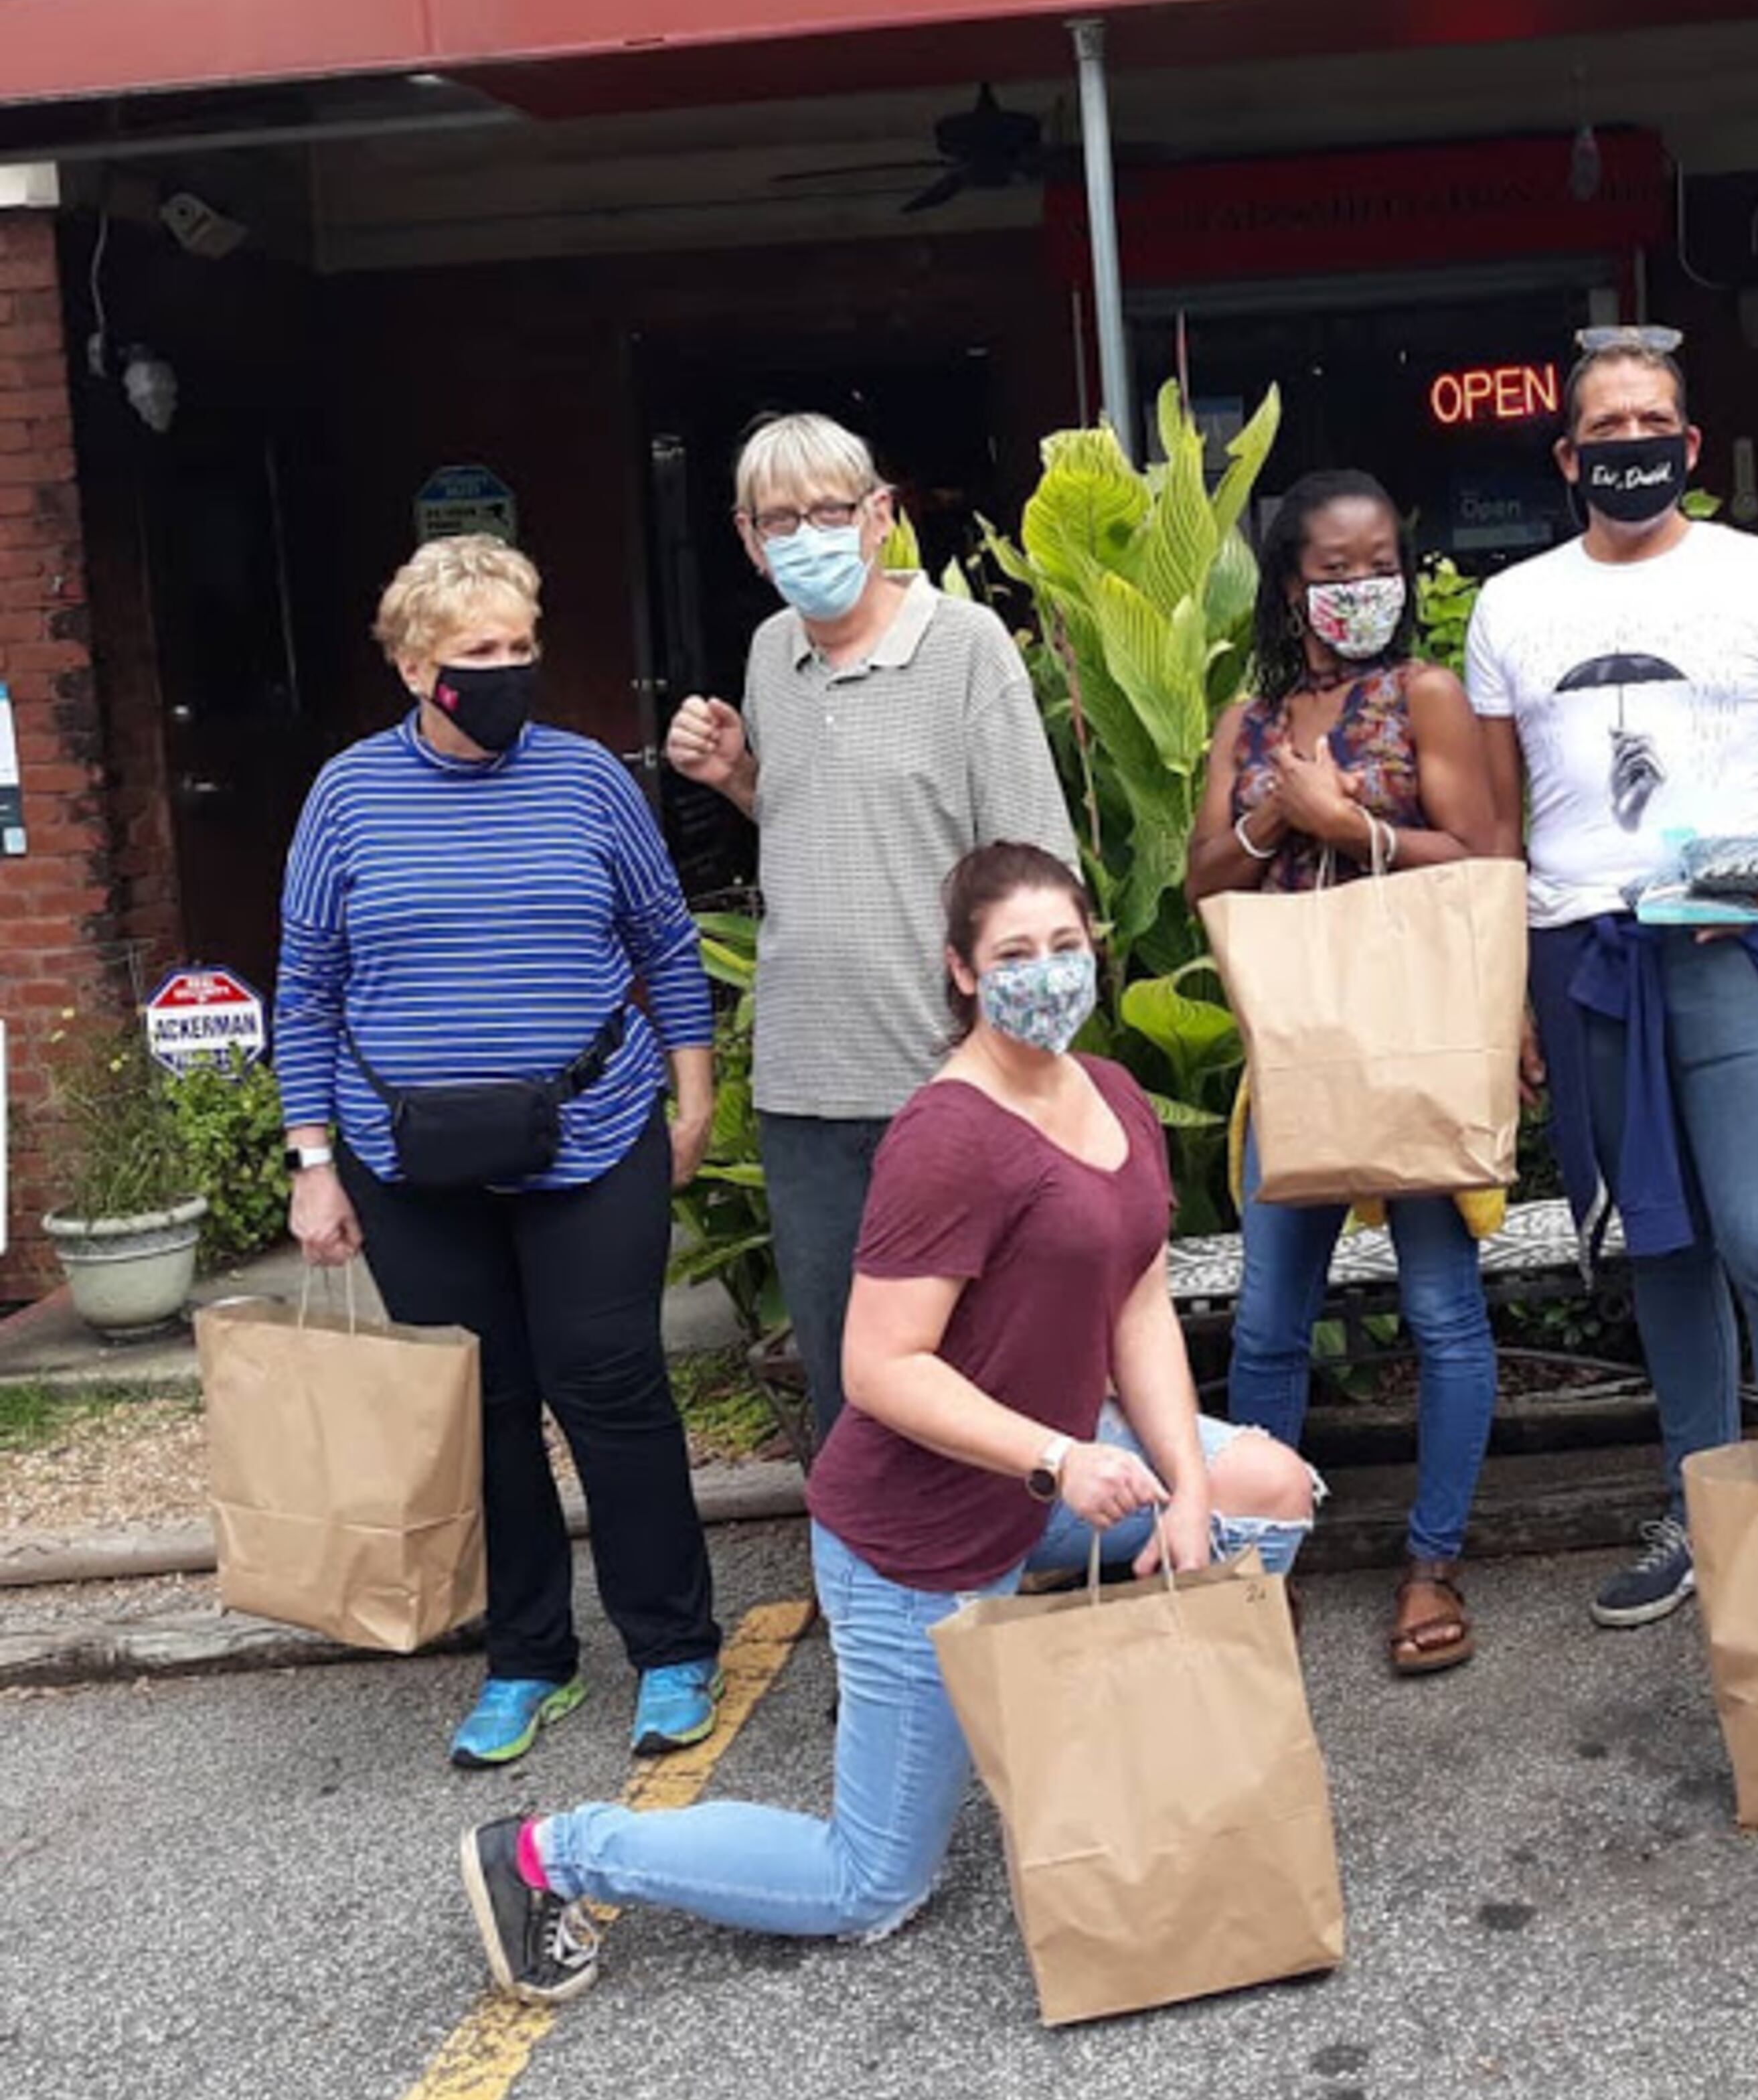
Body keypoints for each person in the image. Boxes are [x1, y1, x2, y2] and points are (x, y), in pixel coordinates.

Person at [459, 842, 1322, 2002]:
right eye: (1015, 955)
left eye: (1066, 947)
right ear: (963, 972)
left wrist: (1191, 1486)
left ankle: (1125, 1756)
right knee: (869, 1885)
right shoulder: (948, 1136)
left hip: (1048, 1489)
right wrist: (1058, 1455)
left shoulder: (1113, 1097)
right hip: (918, 1538)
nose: (1048, 974)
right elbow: (877, 1368)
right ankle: (551, 1854)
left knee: (1268, 1491)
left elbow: (1138, 1302)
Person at [277, 536, 723, 1768]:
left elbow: (666, 941)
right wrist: (311, 1160)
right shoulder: (347, 797)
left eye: (523, 645)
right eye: (481, 651)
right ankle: (528, 1658)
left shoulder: (589, 780)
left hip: (594, 1134)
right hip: (408, 1159)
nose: (509, 669)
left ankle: (673, 1645)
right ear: (416, 665)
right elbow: (306, 986)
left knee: (612, 1385)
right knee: (482, 1408)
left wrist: (693, 1098)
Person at [1465, 325, 1758, 1629]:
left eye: (1653, 426)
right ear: (1567, 455)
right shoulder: (1511, 606)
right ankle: (1703, 1512)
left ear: (1689, 445)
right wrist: (1505, 996)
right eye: (1607, 430)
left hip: (1725, 941)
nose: (1630, 446)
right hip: (1581, 953)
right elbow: (1496, 824)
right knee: (1667, 1248)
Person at [663, 414, 1075, 1450]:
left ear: (880, 517)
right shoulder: (770, 654)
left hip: (949, 1080)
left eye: (830, 511)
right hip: (806, 1085)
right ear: (749, 539)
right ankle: (862, 1555)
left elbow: (1036, 870)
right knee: (848, 1382)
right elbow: (818, 820)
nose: (807, 536)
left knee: (979, 1370)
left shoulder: (966, 647)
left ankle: (1000, 1551)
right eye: (779, 520)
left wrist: (1020, 1060)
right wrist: (739, 779)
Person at [1186, 470, 1504, 1676]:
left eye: (1383, 567)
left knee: (1442, 1315)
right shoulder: (1245, 724)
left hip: (1416, 1039)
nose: (1364, 588)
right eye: (1336, 572)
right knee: (1271, 1323)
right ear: (1289, 586)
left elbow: (1481, 860)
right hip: (1297, 1053)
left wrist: (1348, 826)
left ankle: (1434, 1561)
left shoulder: (1426, 695)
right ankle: (1260, 1562)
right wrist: (1278, 817)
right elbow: (1204, 879)